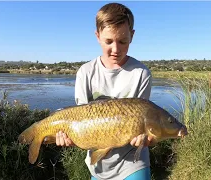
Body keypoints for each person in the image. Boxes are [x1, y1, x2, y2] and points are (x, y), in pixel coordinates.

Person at [55, 2, 153, 180]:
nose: (116, 49)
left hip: (132, 162)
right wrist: (69, 137)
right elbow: (80, 119)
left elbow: (144, 122)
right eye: (109, 41)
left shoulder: (141, 74)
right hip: (98, 166)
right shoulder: (86, 72)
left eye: (123, 41)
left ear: (132, 36)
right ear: (97, 36)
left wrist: (147, 138)